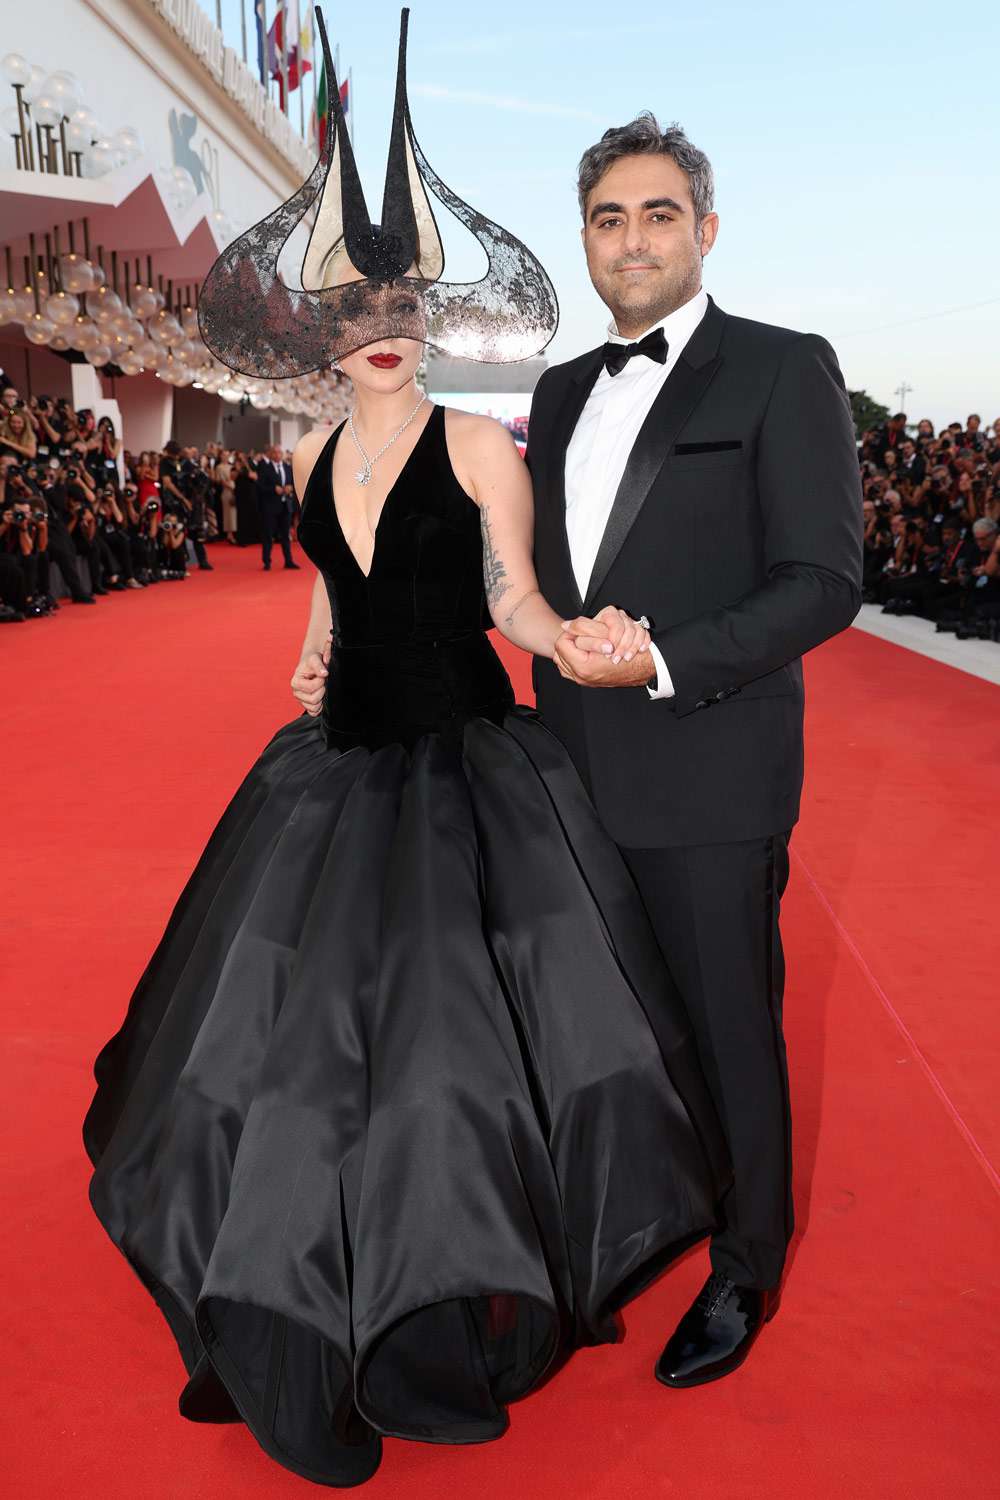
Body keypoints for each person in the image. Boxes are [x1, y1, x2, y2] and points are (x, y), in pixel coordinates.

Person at [82, 11, 728, 1488]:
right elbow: (329, 581)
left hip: (462, 770)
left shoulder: (483, 447)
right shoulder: (306, 455)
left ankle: (432, 1312)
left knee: (444, 1061)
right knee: (294, 1049)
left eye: (404, 297)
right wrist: (308, 651)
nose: (384, 317)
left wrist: (567, 640)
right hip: (331, 760)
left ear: (432, 316)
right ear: (325, 319)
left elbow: (507, 590)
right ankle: (307, 1293)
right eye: (359, 297)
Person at [526, 113, 863, 1390]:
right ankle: (641, 1219)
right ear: (587, 242)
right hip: (564, 775)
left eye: (658, 212)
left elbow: (822, 579)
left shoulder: (782, 368)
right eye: (608, 218)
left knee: (728, 1027)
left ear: (704, 231)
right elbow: (545, 577)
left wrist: (663, 659)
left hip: (711, 767)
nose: (632, 238)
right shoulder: (559, 391)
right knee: (608, 1029)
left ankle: (745, 1260)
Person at [256, 442, 299, 569]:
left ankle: (288, 561)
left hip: (286, 506)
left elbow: (293, 482)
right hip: (270, 507)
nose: (278, 455)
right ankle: (267, 562)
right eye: (275, 452)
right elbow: (260, 487)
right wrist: (273, 489)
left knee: (285, 535)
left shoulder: (287, 467)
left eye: (280, 452)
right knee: (268, 535)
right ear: (270, 454)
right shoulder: (264, 468)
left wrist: (290, 488)